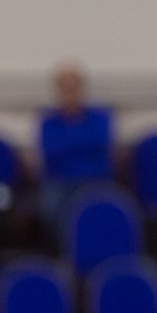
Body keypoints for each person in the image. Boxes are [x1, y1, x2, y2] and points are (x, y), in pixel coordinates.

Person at [38, 62, 115, 223]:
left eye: (73, 89)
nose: (70, 95)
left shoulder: (100, 117)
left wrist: (68, 142)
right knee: (51, 208)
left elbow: (101, 143)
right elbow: (50, 151)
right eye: (66, 90)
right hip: (61, 183)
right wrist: (83, 143)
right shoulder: (48, 121)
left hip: (95, 181)